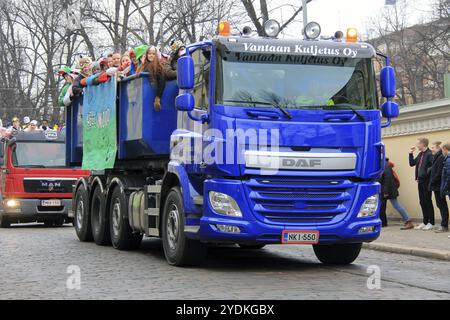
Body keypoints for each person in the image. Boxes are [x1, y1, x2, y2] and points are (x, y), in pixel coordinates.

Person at [137, 46, 177, 111]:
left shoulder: (158, 67)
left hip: (153, 93)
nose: (151, 56)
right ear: (147, 55)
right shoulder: (143, 66)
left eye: (153, 54)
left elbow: (162, 80)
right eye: (149, 54)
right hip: (143, 95)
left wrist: (158, 97)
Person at [379, 158, 414, 229]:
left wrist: (386, 191)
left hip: (389, 190)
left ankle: (408, 221)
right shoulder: (383, 164)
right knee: (383, 206)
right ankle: (383, 222)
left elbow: (387, 178)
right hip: (387, 189)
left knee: (396, 205)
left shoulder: (385, 165)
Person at [409, 138, 434, 230]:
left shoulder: (429, 153)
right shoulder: (420, 154)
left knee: (428, 201)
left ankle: (431, 222)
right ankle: (425, 221)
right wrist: (411, 153)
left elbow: (433, 166)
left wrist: (426, 172)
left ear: (423, 144)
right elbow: (412, 163)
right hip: (420, 181)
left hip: (427, 181)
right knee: (422, 201)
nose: (416, 146)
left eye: (418, 144)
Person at [428, 141, 449, 232]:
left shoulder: (441, 157)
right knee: (440, 204)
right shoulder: (437, 157)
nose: (431, 149)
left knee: (442, 205)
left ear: (439, 148)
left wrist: (432, 181)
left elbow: (440, 173)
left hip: (438, 185)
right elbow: (435, 169)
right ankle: (443, 225)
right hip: (437, 186)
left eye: (433, 147)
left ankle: (444, 226)